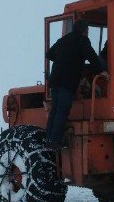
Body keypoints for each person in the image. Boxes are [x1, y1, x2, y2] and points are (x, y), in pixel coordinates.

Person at [45, 19, 108, 147]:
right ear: (85, 30)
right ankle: (55, 141)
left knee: (54, 111)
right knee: (62, 111)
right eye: (88, 30)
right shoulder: (82, 41)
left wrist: (63, 60)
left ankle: (48, 139)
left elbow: (49, 54)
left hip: (55, 80)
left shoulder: (64, 39)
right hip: (67, 82)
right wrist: (102, 71)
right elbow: (92, 57)